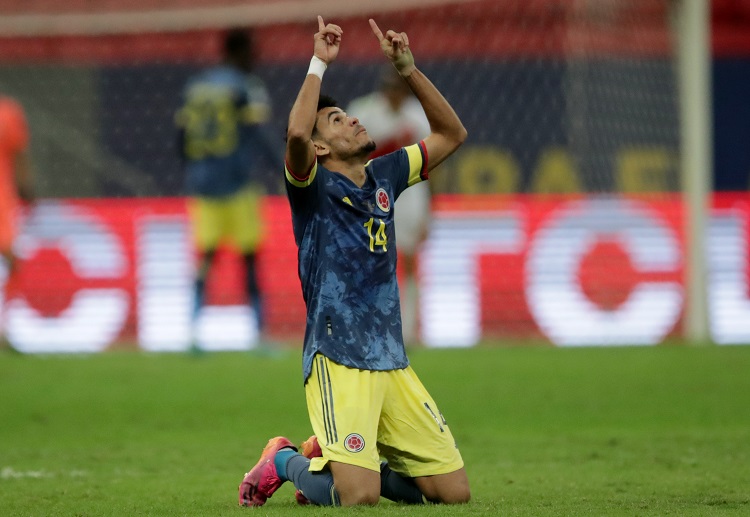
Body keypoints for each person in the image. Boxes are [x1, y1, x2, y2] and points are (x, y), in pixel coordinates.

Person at [237, 16, 470, 507]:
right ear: (320, 147)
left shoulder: (386, 174)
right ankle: (284, 459)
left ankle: (342, 454)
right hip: (337, 357)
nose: (352, 119)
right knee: (358, 498)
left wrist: (408, 70)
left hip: (391, 359)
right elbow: (297, 132)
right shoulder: (313, 188)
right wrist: (319, 60)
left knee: (453, 493)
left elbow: (452, 133)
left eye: (347, 113)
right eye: (337, 120)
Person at [175, 28, 278, 345]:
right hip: (237, 183)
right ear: (241, 52)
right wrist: (283, 168)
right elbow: (258, 133)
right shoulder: (246, 86)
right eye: (252, 52)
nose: (256, 59)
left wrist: (193, 169)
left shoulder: (196, 87)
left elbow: (180, 137)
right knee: (249, 257)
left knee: (206, 256)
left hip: (203, 184)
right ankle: (259, 334)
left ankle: (192, 333)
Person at [346, 66, 432, 345]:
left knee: (408, 259)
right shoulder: (364, 112)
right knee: (371, 258)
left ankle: (408, 330)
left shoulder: (417, 115)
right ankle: (371, 324)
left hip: (410, 196)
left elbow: (431, 164)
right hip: (372, 194)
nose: (394, 94)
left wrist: (432, 209)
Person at [0, 95, 35, 345]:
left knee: (12, 258)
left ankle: (4, 328)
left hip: (3, 199)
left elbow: (20, 153)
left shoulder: (9, 112)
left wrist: (26, 186)